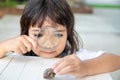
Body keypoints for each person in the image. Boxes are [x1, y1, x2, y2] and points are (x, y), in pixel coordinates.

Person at [0, 0, 120, 78]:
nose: (49, 43)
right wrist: (4, 47)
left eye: (58, 35)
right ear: (26, 33)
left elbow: (116, 60)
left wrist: (85, 67)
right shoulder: (18, 55)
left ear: (68, 33)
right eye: (38, 35)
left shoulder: (76, 58)